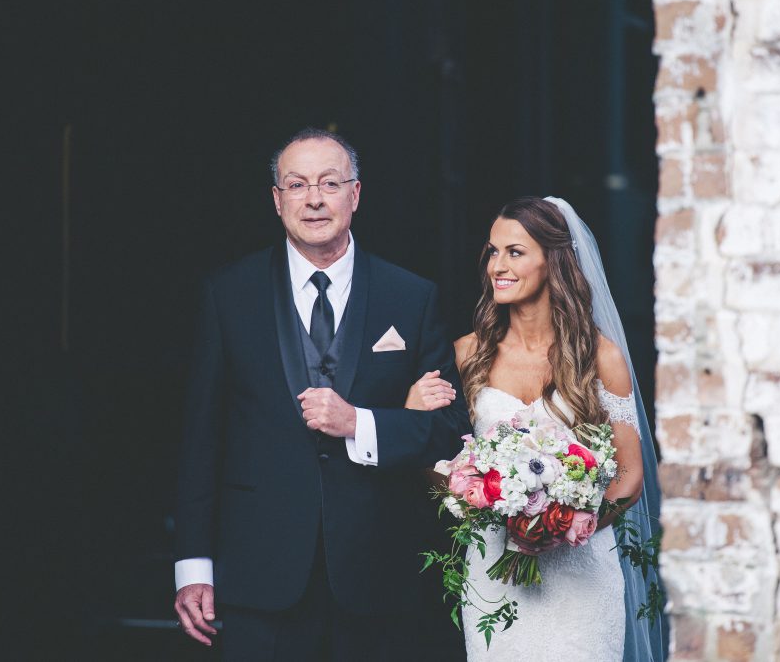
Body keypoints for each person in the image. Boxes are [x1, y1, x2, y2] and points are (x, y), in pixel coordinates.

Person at [173, 128, 470, 661]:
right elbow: (201, 438)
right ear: (277, 199)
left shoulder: (411, 296)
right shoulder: (227, 294)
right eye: (297, 184)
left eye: (329, 183)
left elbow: (450, 431)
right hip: (257, 573)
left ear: (355, 195)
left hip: (377, 572)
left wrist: (362, 423)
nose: (314, 199)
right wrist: (194, 566)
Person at [407, 196, 666, 661]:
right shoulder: (466, 354)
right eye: (492, 251)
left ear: (553, 260)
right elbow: (433, 461)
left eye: (514, 251)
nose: (497, 266)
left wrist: (563, 527)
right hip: (494, 573)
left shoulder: (600, 356)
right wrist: (475, 495)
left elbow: (629, 476)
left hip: (581, 574)